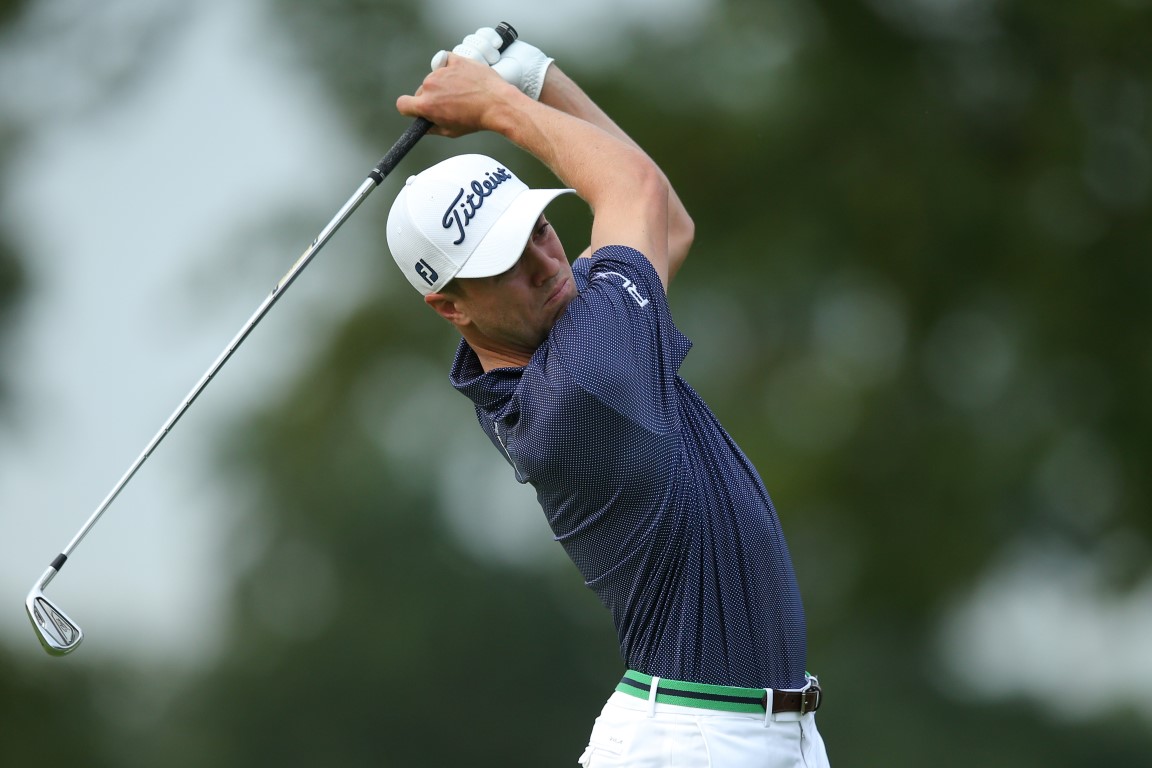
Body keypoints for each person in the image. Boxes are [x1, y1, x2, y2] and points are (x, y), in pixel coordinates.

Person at [387, 27, 831, 768]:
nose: (544, 262)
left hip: (754, 734)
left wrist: (532, 76)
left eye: (538, 229)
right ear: (449, 306)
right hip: (695, 741)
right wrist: (498, 103)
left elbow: (669, 225)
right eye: (504, 260)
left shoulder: (566, 335)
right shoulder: (586, 383)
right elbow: (636, 191)